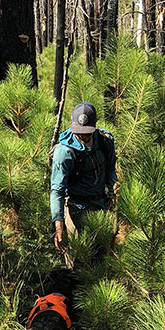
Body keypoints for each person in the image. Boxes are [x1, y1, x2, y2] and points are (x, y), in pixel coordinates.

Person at [50, 102, 118, 257]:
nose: (82, 136)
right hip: (76, 208)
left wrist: (114, 185)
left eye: (86, 133)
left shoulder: (105, 141)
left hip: (101, 207)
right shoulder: (64, 152)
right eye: (78, 132)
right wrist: (59, 227)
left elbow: (110, 169)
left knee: (102, 258)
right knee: (79, 261)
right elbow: (57, 191)